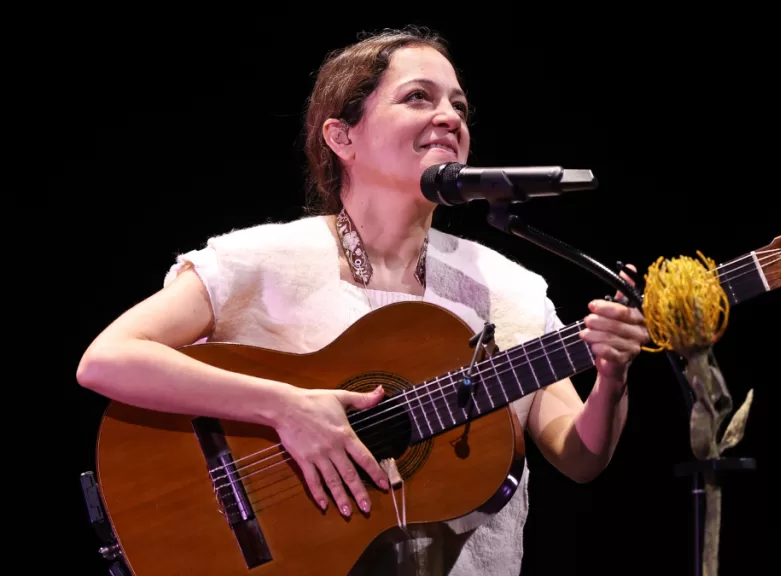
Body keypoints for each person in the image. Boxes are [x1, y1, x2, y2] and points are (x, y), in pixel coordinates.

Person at [77, 25, 650, 575]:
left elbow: (580, 456)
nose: (449, 116)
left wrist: (612, 376)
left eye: (459, 105)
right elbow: (107, 359)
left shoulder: (511, 289)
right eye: (418, 98)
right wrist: (286, 407)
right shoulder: (260, 261)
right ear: (341, 136)